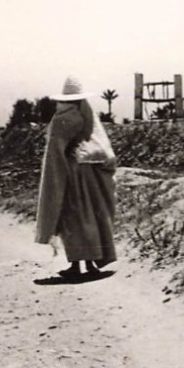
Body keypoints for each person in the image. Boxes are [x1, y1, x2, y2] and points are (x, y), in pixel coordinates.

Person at [35, 76, 117, 282]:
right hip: (91, 174)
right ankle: (91, 263)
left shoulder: (63, 118)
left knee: (72, 218)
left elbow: (55, 151)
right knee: (90, 216)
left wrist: (54, 179)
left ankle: (75, 265)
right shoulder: (88, 116)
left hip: (72, 173)